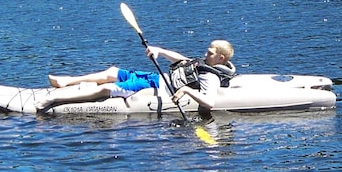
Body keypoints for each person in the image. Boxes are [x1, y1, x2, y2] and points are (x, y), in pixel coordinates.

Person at [39, 40, 236, 113]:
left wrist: (184, 90)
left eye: (210, 52)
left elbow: (209, 103)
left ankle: (55, 98)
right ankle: (67, 81)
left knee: (107, 89)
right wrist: (159, 50)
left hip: (158, 88)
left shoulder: (211, 77)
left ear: (220, 57)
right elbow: (183, 61)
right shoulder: (204, 63)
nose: (205, 53)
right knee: (111, 72)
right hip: (156, 77)